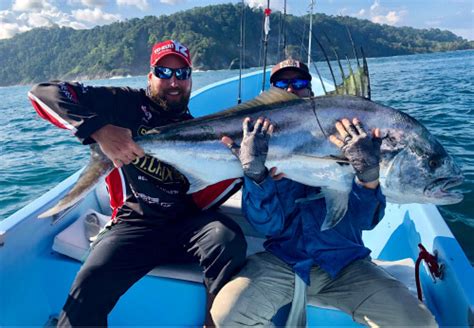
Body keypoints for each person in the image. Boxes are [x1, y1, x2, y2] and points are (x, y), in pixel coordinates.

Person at [28, 40, 247, 327]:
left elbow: (213, 187)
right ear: (150, 77)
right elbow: (43, 93)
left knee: (227, 238)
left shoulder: (197, 128)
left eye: (181, 74)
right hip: (136, 222)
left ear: (190, 80)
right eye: (164, 72)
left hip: (187, 224)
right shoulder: (124, 103)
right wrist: (100, 130)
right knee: (89, 282)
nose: (173, 82)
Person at [211, 59, 437, 327]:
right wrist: (256, 175)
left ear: (311, 91)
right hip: (284, 261)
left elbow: (367, 221)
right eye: (282, 84)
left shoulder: (354, 137)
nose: (292, 89)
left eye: (300, 83)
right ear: (270, 93)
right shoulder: (259, 143)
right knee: (225, 317)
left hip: (346, 264)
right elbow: (266, 224)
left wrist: (368, 177)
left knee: (417, 323)